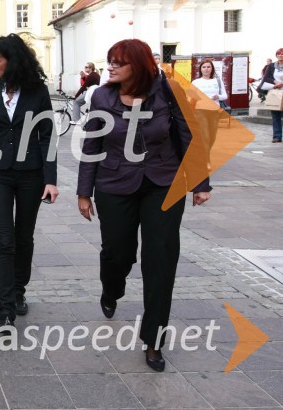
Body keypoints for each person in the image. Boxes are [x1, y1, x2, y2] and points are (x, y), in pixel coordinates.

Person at [77, 38, 211, 372]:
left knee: (161, 259)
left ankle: (154, 341)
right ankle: (112, 288)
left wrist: (199, 182)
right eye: (109, 62)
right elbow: (92, 144)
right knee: (117, 253)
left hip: (163, 184)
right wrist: (83, 191)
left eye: (118, 62)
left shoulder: (166, 91)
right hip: (114, 184)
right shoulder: (103, 96)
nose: (110, 67)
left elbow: (187, 135)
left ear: (137, 65)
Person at [0, 34, 58, 334]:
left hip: (30, 174)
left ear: (13, 61)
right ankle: (5, 309)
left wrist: (51, 179)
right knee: (4, 241)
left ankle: (19, 288)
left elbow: (47, 135)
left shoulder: (38, 92)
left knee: (24, 237)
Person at [191, 58, 229, 152]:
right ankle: (205, 158)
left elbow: (225, 96)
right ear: (200, 69)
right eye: (204, 67)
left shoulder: (217, 81)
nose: (206, 69)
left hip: (214, 111)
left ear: (212, 68)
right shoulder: (196, 82)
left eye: (208, 67)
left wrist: (218, 97)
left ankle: (205, 153)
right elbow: (190, 97)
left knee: (212, 136)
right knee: (205, 135)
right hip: (200, 110)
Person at [260, 48, 283, 142]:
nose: (280, 55)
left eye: (282, 54)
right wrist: (275, 81)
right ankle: (277, 136)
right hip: (276, 92)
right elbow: (266, 78)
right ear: (276, 55)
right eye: (279, 54)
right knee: (275, 115)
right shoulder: (272, 66)